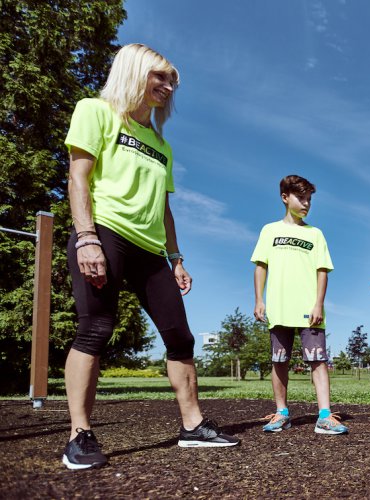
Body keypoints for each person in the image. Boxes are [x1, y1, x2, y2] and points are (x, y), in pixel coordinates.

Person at [63, 44, 239, 470]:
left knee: (180, 335)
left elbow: (163, 207)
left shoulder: (161, 144)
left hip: (150, 248)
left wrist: (176, 257)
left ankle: (192, 426)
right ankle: (79, 435)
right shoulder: (95, 110)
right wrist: (87, 237)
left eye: (172, 81)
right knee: (97, 329)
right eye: (159, 76)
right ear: (133, 72)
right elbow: (78, 178)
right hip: (105, 232)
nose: (168, 85)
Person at [252, 174, 347, 435]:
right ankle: (282, 412)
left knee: (318, 361)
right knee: (278, 360)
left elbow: (322, 271)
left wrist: (318, 303)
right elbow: (261, 266)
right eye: (300, 197)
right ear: (285, 197)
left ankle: (325, 416)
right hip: (279, 308)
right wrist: (259, 300)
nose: (306, 203)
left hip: (309, 310)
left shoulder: (315, 234)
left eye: (309, 199)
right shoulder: (269, 231)